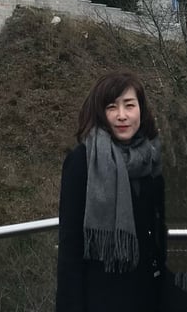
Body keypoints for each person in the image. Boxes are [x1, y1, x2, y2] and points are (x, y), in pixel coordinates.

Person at [56, 70, 167, 312]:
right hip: (102, 298)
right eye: (111, 107)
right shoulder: (83, 162)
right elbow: (70, 248)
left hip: (150, 296)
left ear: (141, 109)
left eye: (129, 105)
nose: (122, 115)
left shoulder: (151, 159)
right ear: (100, 113)